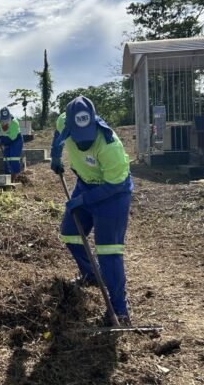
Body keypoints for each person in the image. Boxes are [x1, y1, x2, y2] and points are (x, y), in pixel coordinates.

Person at [50, 96, 133, 326]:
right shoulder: (63, 122)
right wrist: (55, 155)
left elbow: (115, 184)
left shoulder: (109, 145)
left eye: (87, 139)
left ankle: (120, 310)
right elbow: (58, 135)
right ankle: (91, 275)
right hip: (86, 184)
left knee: (109, 252)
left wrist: (84, 200)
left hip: (114, 195)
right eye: (78, 139)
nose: (83, 144)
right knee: (70, 232)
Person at [0, 107, 24, 182]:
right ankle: (7, 179)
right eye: (3, 120)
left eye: (6, 119)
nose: (5, 121)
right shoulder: (0, 121)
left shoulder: (14, 123)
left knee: (14, 159)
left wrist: (0, 140)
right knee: (6, 160)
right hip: (7, 140)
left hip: (16, 141)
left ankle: (15, 179)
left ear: (10, 117)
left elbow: (11, 138)